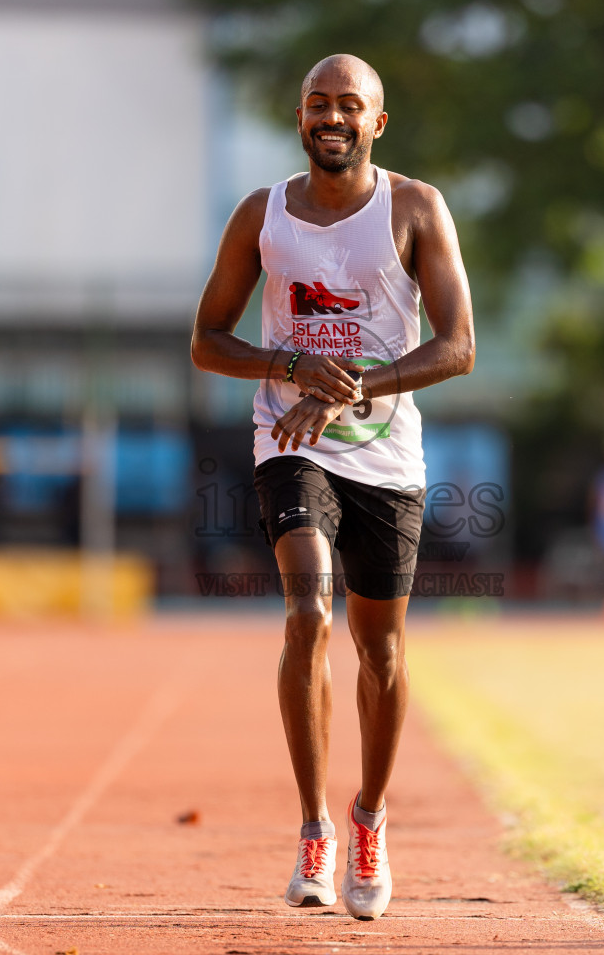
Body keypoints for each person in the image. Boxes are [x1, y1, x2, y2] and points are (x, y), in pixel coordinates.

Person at [191, 54, 475, 920]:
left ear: (377, 123)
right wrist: (288, 363)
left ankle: (369, 820)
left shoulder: (416, 208)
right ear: (301, 115)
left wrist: (352, 383)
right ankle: (313, 829)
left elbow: (458, 346)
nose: (332, 116)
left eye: (350, 105)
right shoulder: (262, 215)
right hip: (289, 443)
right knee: (308, 610)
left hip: (386, 454)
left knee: (380, 650)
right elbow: (209, 338)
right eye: (318, 102)